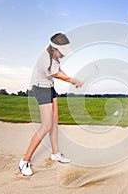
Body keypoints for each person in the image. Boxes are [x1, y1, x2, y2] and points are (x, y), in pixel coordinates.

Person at [19, 33, 83, 176]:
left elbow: (59, 71)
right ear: (54, 49)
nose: (63, 55)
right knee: (46, 125)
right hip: (42, 89)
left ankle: (55, 154)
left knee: (55, 120)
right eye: (62, 52)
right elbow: (58, 75)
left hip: (50, 87)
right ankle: (25, 160)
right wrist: (75, 81)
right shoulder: (46, 61)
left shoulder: (54, 54)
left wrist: (73, 79)